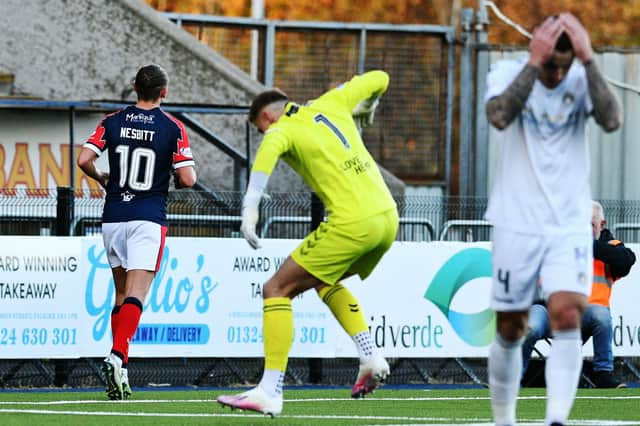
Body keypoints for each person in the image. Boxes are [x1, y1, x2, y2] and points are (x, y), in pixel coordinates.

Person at [216, 70, 398, 417]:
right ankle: (370, 356)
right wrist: (369, 106)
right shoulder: (332, 103)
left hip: (352, 222)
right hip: (387, 217)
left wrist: (249, 211)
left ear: (267, 117)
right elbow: (380, 77)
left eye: (260, 129)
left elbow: (262, 169)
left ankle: (270, 390)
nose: (263, 135)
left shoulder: (280, 130)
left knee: (276, 289)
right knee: (325, 282)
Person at [484, 13, 622, 426]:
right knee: (512, 325)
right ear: (537, 51)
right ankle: (504, 419)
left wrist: (589, 60)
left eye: (565, 64)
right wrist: (533, 64)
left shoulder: (582, 79)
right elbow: (498, 115)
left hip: (567, 222)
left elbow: (612, 119)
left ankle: (556, 420)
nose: (558, 72)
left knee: (567, 314)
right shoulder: (510, 72)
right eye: (551, 64)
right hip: (516, 218)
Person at [77, 64, 197, 400]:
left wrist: (102, 177)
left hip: (114, 216)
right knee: (136, 295)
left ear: (134, 87)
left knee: (119, 294)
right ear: (165, 91)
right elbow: (188, 179)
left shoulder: (112, 121)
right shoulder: (172, 127)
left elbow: (84, 158)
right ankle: (117, 357)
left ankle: (120, 368)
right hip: (148, 217)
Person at [521, 201, 635, 388]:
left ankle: (603, 374)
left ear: (602, 225)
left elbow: (626, 261)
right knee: (529, 326)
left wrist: (589, 245)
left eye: (590, 224)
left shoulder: (611, 246)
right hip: (550, 311)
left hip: (586, 317)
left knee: (601, 316)